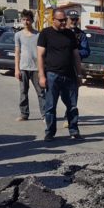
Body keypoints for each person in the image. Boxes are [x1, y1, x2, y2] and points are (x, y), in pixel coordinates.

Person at [37, 8, 83, 142]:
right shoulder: (45, 34)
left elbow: (76, 55)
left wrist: (79, 75)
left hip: (70, 76)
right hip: (52, 75)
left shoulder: (70, 34)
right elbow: (40, 55)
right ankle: (50, 132)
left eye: (65, 20)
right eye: (61, 20)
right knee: (50, 106)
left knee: (72, 105)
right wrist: (41, 76)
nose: (64, 22)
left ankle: (74, 130)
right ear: (53, 20)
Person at [14, 9, 45, 121]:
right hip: (23, 68)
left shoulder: (38, 35)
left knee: (41, 92)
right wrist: (16, 69)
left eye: (28, 19)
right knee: (23, 92)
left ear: (32, 20)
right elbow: (17, 52)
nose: (26, 22)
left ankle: (45, 114)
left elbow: (42, 52)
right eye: (24, 19)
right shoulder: (18, 35)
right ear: (21, 20)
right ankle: (24, 114)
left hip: (36, 68)